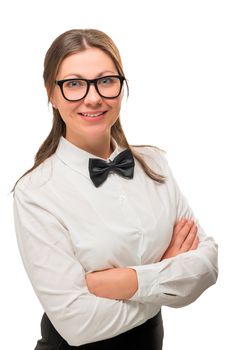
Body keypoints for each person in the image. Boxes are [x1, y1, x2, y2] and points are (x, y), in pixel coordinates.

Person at [12, 28, 218, 350]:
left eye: (106, 81)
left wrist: (129, 281)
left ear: (121, 87)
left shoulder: (156, 165)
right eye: (74, 84)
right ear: (51, 94)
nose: (93, 97)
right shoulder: (36, 192)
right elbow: (77, 323)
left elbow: (206, 264)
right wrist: (167, 275)